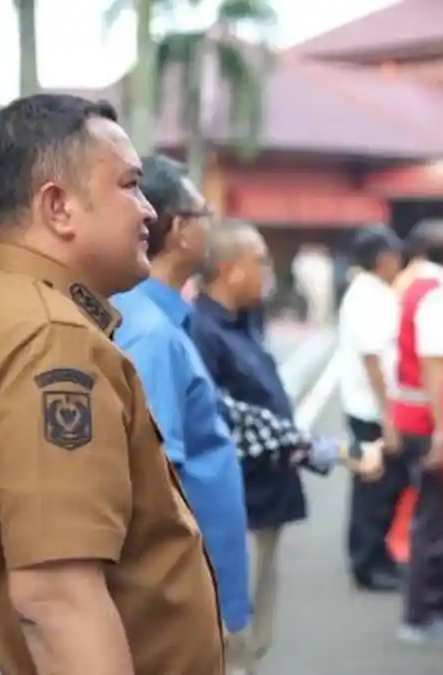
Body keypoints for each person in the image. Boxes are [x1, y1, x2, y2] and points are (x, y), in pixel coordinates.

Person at [0, 94, 223, 675]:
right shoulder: (53, 340)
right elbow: (57, 600)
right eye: (129, 185)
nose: (149, 211)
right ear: (57, 207)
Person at [191, 222, 377, 674]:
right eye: (260, 262)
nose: (268, 273)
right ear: (228, 269)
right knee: (232, 637)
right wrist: (335, 451)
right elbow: (238, 420)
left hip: (267, 501)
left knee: (256, 637)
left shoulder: (243, 322)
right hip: (240, 506)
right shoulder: (203, 332)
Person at [109, 155, 252, 666]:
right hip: (183, 589)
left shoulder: (162, 318)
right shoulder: (150, 330)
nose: (211, 224)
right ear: (178, 229)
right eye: (203, 212)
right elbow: (156, 477)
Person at [389, 217, 443, 644]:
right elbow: (435, 368)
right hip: (428, 420)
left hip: (413, 413)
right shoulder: (437, 295)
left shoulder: (413, 287)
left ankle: (432, 605)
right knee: (435, 520)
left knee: (432, 516)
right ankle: (424, 611)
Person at [338, 226, 407, 591]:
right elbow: (373, 360)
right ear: (382, 259)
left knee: (383, 489)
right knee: (373, 490)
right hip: (371, 410)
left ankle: (379, 556)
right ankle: (366, 563)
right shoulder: (367, 296)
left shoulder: (377, 292)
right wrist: (390, 417)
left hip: (375, 408)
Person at [292, 242, 334, 325]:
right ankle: (313, 319)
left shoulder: (325, 260)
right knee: (312, 302)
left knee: (324, 301)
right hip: (310, 285)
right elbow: (298, 271)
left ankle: (323, 319)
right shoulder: (302, 259)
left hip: (323, 286)